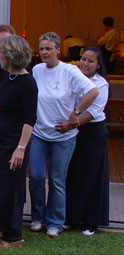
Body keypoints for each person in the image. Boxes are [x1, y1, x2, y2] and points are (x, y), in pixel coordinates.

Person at [29, 32, 99, 237]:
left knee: (57, 180)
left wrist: (75, 115)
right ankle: (37, 217)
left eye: (48, 48)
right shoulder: (36, 70)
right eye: (41, 48)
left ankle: (55, 222)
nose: (44, 52)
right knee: (36, 176)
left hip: (64, 138)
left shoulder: (69, 71)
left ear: (58, 50)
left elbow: (92, 91)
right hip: (39, 133)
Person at [0, 35, 37, 250]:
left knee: (9, 189)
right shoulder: (7, 76)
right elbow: (2, 104)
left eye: (0, 52)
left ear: (11, 55)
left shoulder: (27, 82)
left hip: (14, 142)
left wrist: (20, 149)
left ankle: (14, 238)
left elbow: (30, 120)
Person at [65, 47, 110, 236]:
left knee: (92, 176)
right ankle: (71, 218)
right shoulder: (73, 77)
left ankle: (90, 222)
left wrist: (69, 125)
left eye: (91, 61)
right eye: (83, 59)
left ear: (98, 65)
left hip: (92, 133)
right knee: (73, 174)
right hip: (73, 131)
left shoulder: (101, 84)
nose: (85, 63)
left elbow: (93, 112)